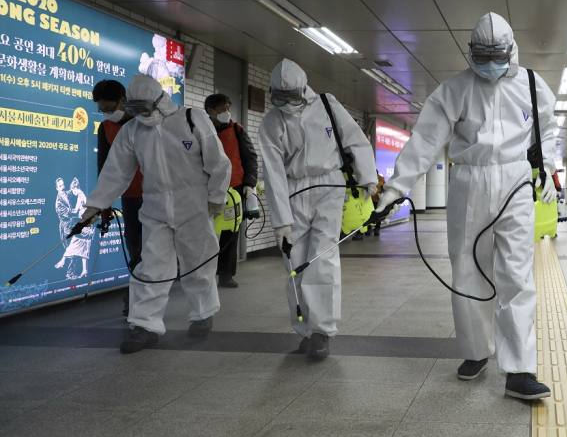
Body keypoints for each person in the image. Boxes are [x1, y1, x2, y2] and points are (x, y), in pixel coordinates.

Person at [375, 12, 556, 400]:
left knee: (517, 274)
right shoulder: (454, 90)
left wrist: (550, 169)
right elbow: (425, 140)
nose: (490, 64)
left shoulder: (531, 84)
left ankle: (520, 369)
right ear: (471, 52)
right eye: (483, 56)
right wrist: (396, 188)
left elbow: (548, 129)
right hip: (469, 180)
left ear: (511, 50)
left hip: (515, 181)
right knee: (467, 268)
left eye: (497, 56)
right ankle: (475, 351)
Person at [76, 74, 232, 354]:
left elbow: (218, 162)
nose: (140, 114)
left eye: (144, 108)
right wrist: (95, 206)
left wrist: (216, 198)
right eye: (134, 109)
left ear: (160, 101)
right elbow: (115, 172)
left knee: (198, 262)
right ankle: (144, 325)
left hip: (194, 206)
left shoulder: (192, 119)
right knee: (150, 266)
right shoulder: (132, 131)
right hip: (155, 208)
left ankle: (202, 313)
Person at [259, 59, 376, 361]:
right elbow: (273, 171)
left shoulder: (327, 105)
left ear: (303, 89)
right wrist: (281, 221)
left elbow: (356, 140)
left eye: (291, 97)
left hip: (329, 186)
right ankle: (305, 330)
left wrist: (368, 178)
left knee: (323, 259)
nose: (286, 103)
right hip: (294, 189)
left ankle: (322, 331)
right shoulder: (271, 122)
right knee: (295, 263)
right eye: (279, 97)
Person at [93, 79, 143, 315]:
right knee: (135, 249)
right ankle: (136, 299)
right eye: (102, 110)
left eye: (109, 108)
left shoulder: (144, 122)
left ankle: (140, 300)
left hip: (157, 196)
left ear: (123, 100)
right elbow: (104, 168)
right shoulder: (105, 128)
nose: (106, 114)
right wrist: (103, 205)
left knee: (152, 251)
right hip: (130, 198)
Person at [205, 93, 259, 288]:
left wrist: (249, 184)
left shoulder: (237, 130)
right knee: (205, 233)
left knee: (230, 233)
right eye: (222, 108)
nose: (227, 111)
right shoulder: (201, 130)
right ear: (210, 110)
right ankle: (203, 274)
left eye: (228, 107)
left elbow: (250, 158)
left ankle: (226, 274)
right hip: (207, 190)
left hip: (233, 190)